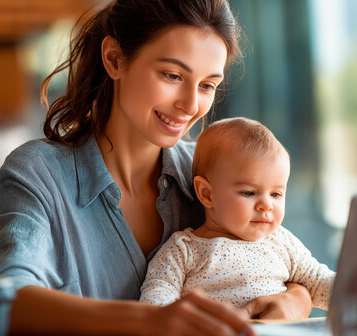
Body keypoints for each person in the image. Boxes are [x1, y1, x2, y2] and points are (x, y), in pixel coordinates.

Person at [0, 0, 313, 334]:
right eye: (172, 75)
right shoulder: (40, 172)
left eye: (206, 86)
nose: (190, 105)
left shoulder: (210, 171)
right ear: (114, 60)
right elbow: (5, 301)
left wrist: (298, 299)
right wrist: (152, 321)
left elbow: (284, 258)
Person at [139, 117, 335, 310]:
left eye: (276, 194)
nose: (266, 205)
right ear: (207, 194)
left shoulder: (281, 242)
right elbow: (157, 299)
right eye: (249, 192)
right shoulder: (183, 250)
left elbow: (320, 283)